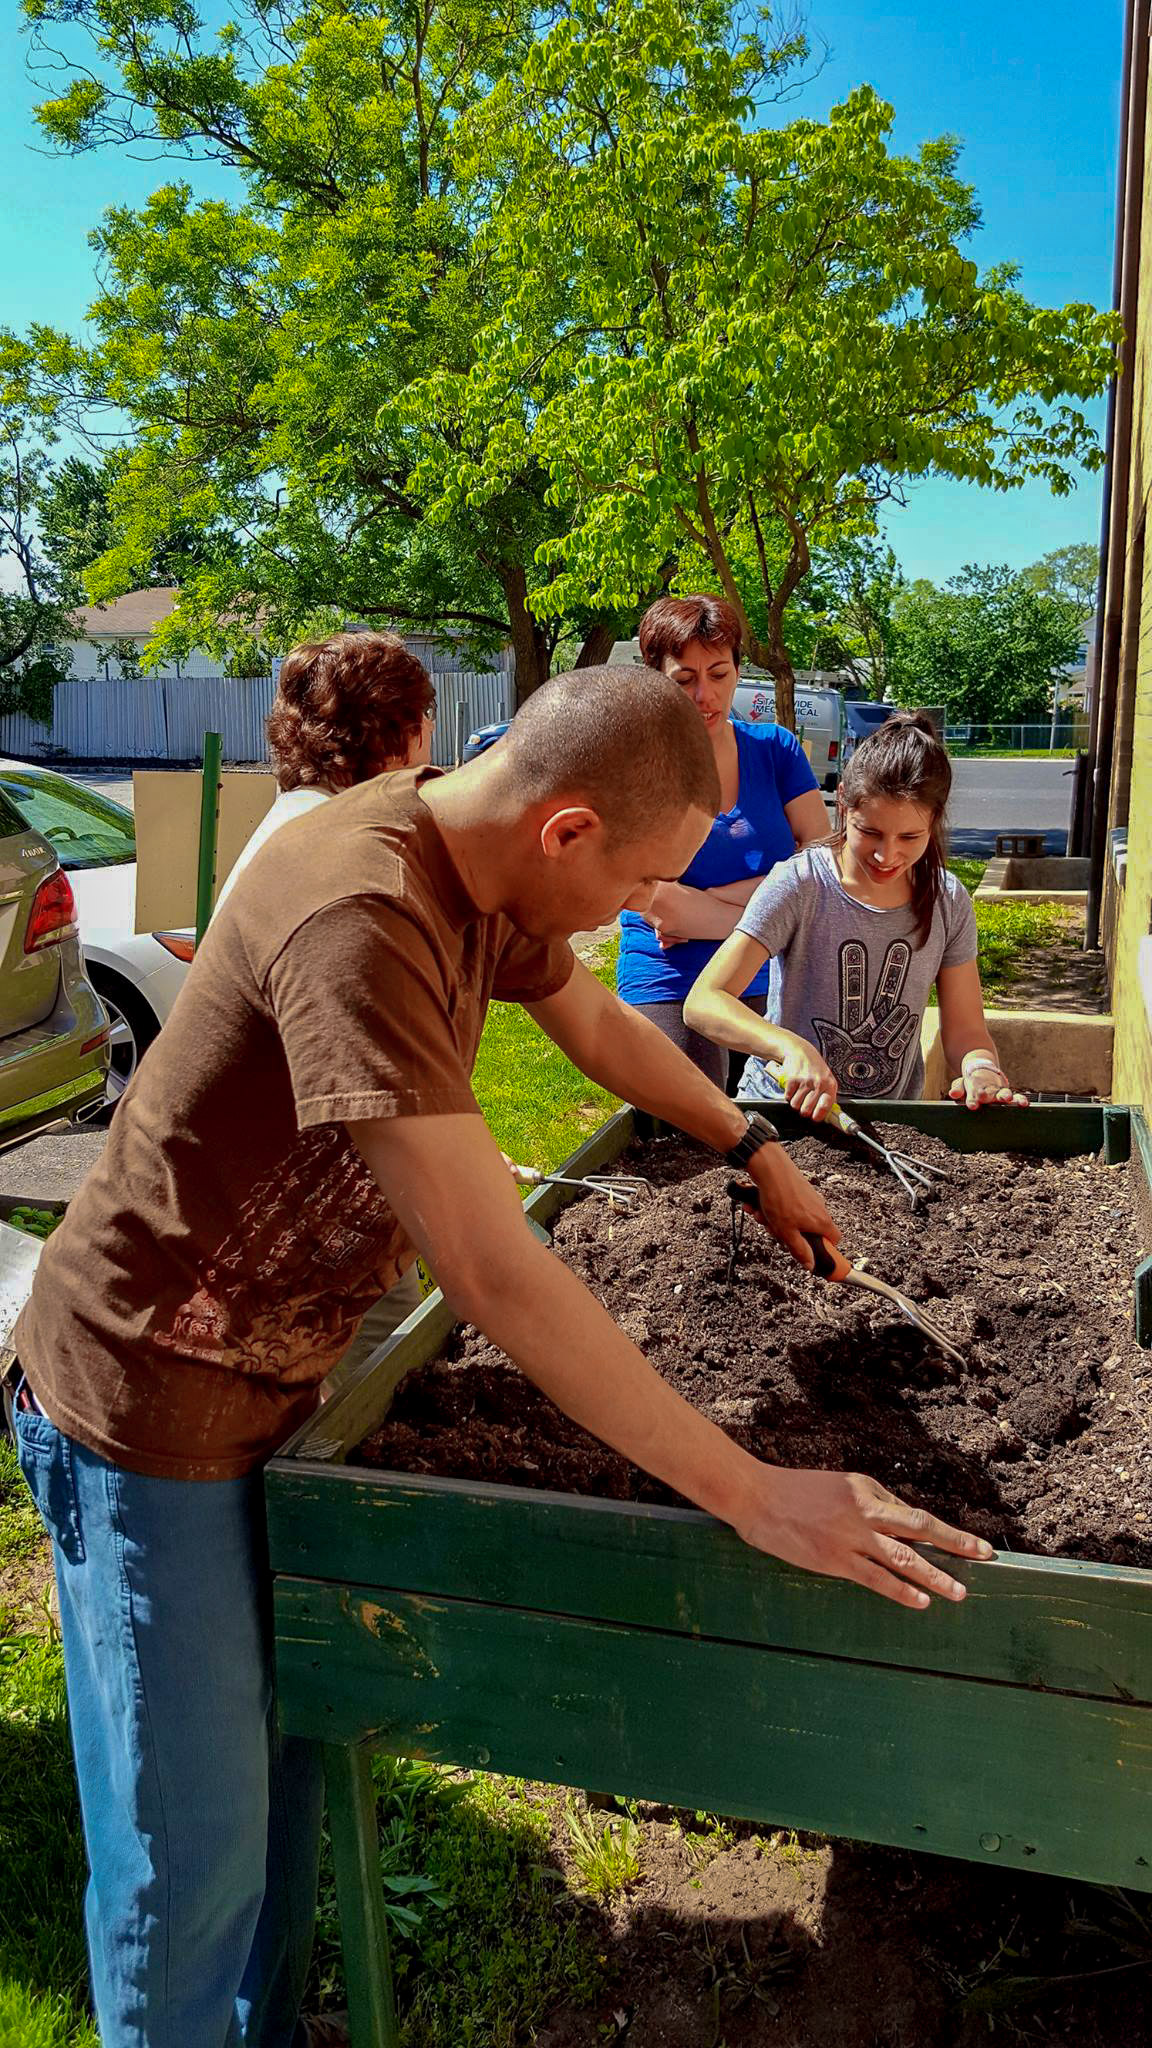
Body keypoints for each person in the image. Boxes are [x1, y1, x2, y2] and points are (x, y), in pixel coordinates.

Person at [5, 668, 993, 2048]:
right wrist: (754, 1492)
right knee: (191, 1859)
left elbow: (592, 1028)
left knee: (282, 1789)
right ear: (568, 829)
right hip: (145, 1400)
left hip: (278, 1385)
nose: (630, 915)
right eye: (637, 878)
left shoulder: (479, 855)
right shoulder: (360, 909)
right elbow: (491, 1265)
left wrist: (751, 1145)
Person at [213, 632, 438, 1382]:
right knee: (372, 1384)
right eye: (427, 721)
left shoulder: (298, 818)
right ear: (405, 732)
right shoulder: (333, 846)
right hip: (300, 1187)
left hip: (317, 1168)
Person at [683, 712, 1029, 1115]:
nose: (887, 855)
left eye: (910, 837)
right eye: (870, 832)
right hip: (780, 1115)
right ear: (843, 802)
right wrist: (788, 1047)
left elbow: (967, 1032)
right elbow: (705, 1001)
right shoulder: (801, 883)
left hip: (890, 1124)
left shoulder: (947, 900)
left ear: (935, 820)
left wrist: (981, 1069)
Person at [617, 595, 829, 1091]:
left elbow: (820, 866)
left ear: (737, 668)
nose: (705, 695)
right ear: (656, 678)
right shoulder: (632, 764)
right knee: (688, 1132)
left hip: (766, 975)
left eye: (718, 674)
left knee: (789, 1132)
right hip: (668, 976)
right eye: (685, 680)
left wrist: (708, 903)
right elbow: (658, 904)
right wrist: (775, 910)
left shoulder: (776, 750)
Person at [213, 629, 436, 914]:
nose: (431, 726)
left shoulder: (306, 809)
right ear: (389, 729)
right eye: (425, 712)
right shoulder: (346, 847)